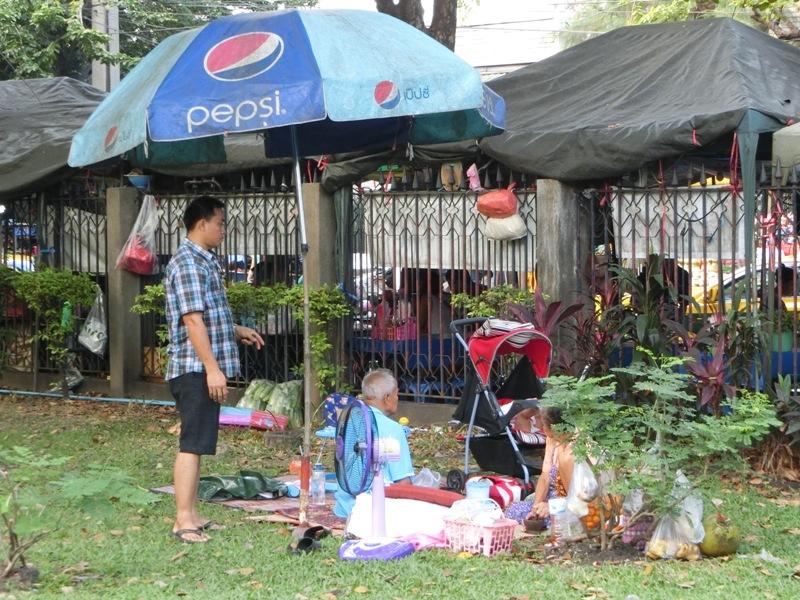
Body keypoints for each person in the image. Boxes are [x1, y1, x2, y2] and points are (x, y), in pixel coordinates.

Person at [164, 196, 265, 544]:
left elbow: (206, 316)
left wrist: (236, 330)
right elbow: (192, 321)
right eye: (220, 223)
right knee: (192, 443)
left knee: (200, 441)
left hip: (199, 367)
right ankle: (182, 520)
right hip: (193, 368)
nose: (223, 230)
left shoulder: (204, 262)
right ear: (201, 223)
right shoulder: (188, 263)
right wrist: (212, 370)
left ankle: (192, 513)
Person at [333, 369, 414, 518]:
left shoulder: (347, 421)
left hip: (344, 509)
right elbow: (404, 485)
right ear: (387, 397)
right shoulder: (394, 429)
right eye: (396, 394)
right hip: (375, 514)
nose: (397, 398)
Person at [526, 406, 575, 521]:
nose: (542, 428)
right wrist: (536, 507)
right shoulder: (552, 439)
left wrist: (551, 506)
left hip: (572, 503)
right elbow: (545, 475)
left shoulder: (572, 451)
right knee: (516, 510)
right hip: (553, 494)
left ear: (554, 428)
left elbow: (578, 496)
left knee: (552, 521)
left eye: (544, 424)